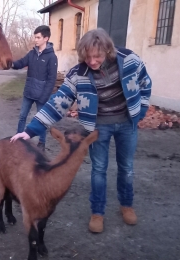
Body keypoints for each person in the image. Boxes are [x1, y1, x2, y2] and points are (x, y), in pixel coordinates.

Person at [10, 28, 152, 233]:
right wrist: (31, 130)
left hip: (127, 124)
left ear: (108, 50)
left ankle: (126, 205)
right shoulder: (78, 75)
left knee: (127, 167)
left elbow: (145, 83)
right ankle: (97, 212)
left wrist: (142, 110)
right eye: (87, 57)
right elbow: (58, 102)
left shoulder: (129, 60)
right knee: (99, 170)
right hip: (98, 127)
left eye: (97, 56)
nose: (92, 62)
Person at [12, 25, 58, 151]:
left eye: (38, 37)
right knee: (22, 116)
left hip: (41, 95)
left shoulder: (51, 57)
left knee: (41, 120)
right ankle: (19, 140)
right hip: (29, 92)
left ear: (46, 38)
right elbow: (21, 63)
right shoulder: (32, 53)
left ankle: (41, 143)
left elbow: (51, 79)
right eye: (35, 37)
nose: (35, 40)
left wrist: (44, 97)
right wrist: (10, 63)